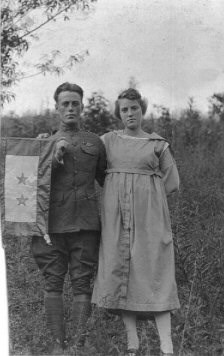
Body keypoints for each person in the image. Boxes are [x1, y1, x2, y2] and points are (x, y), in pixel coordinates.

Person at [92, 88, 180, 356]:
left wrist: (148, 198)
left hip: (149, 220)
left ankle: (167, 346)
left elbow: (173, 181)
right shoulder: (107, 141)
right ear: (118, 114)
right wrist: (115, 195)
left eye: (135, 108)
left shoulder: (156, 143)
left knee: (154, 271)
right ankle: (133, 344)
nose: (130, 113)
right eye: (125, 110)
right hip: (116, 217)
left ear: (143, 110)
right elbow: (95, 170)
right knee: (123, 272)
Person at [32, 82, 106, 354]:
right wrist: (50, 154)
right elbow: (30, 182)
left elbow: (108, 180)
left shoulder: (95, 142)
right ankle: (56, 345)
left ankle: (78, 344)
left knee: (82, 282)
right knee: (53, 281)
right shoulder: (42, 144)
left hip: (86, 224)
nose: (71, 108)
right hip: (51, 225)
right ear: (57, 108)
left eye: (75, 103)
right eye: (65, 103)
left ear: (82, 106)